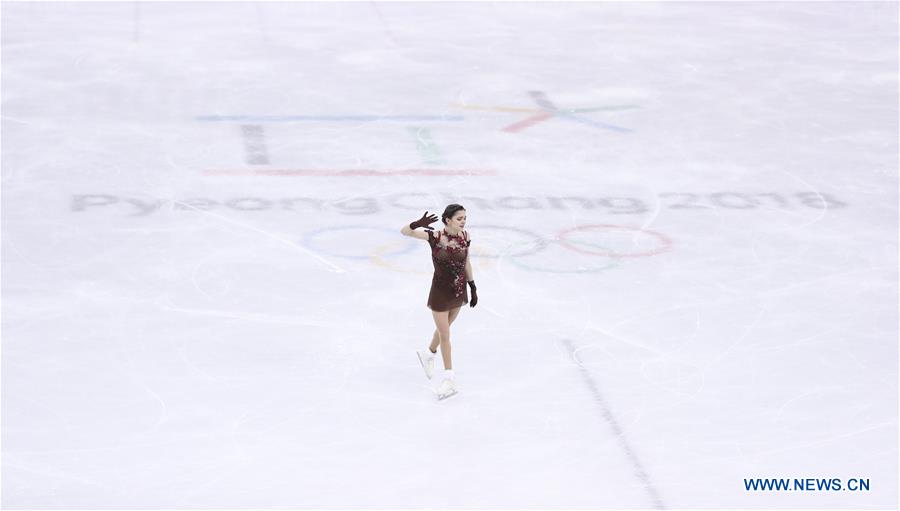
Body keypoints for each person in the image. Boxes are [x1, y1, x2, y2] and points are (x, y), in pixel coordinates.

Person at [400, 204, 478, 400]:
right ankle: (449, 377)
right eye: (459, 218)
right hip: (440, 292)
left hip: (459, 290)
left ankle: (428, 353)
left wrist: (473, 286)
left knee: (445, 327)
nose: (463, 221)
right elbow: (405, 232)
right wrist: (417, 223)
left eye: (465, 218)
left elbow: (467, 262)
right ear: (448, 220)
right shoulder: (435, 237)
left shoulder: (465, 236)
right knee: (445, 334)